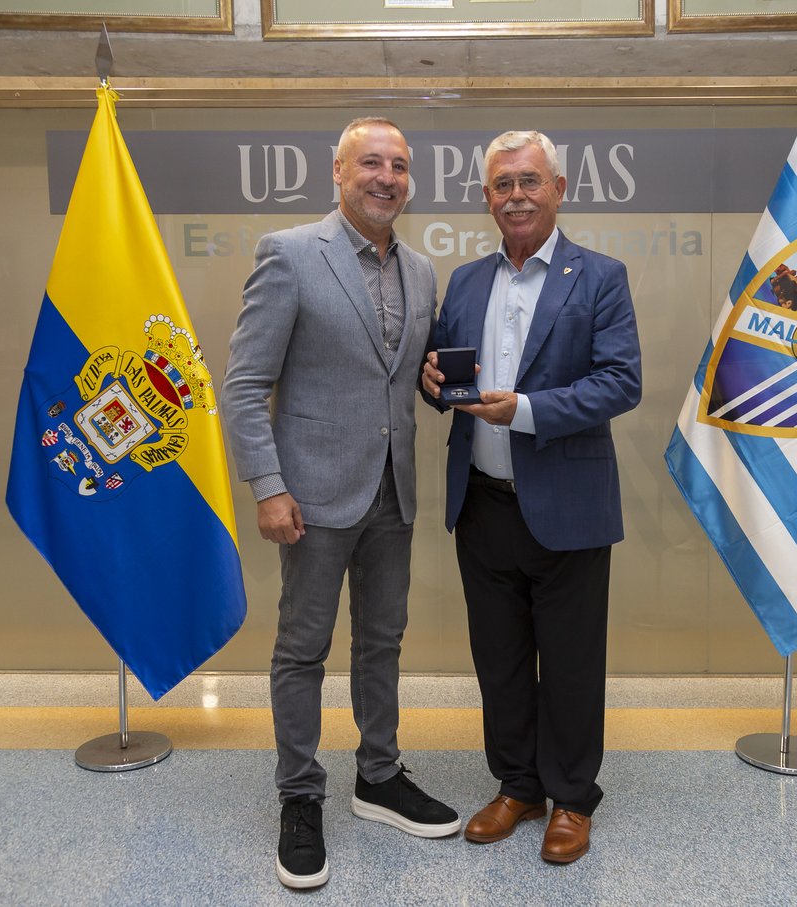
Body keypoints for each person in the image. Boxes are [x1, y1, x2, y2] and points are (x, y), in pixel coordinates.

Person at [223, 116, 459, 891]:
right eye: (370, 162)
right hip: (311, 498)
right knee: (302, 649)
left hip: (393, 491)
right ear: (338, 170)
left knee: (382, 641)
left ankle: (379, 774)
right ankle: (299, 795)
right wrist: (268, 486)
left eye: (398, 164)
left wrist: (435, 385)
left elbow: (402, 375)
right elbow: (246, 385)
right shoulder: (290, 255)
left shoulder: (422, 272)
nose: (385, 176)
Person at [422, 130, 641, 865]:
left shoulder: (600, 277)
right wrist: (434, 387)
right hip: (482, 504)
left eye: (529, 181)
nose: (516, 195)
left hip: (569, 507)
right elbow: (452, 380)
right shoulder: (466, 282)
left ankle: (572, 797)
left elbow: (621, 382)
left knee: (572, 661)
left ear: (559, 187)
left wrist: (524, 410)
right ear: (485, 197)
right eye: (501, 184)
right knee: (501, 659)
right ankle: (518, 784)